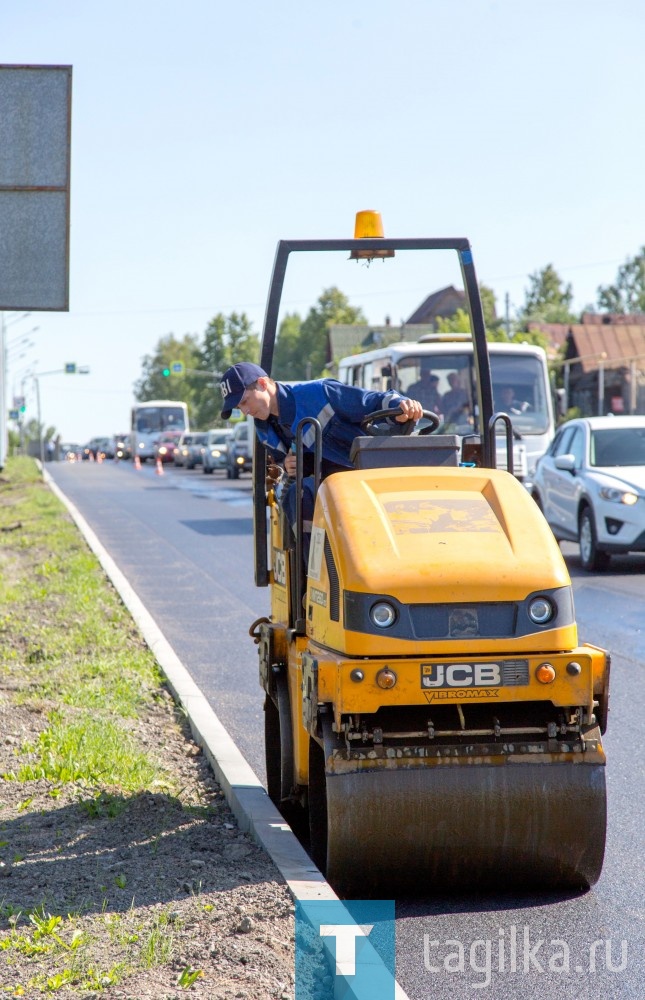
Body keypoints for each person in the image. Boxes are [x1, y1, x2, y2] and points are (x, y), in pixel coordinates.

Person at [219, 362, 423, 563]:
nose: (244, 411)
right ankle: (317, 574)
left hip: (370, 482)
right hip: (332, 494)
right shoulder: (264, 431)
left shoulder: (320, 394)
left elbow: (374, 401)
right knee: (297, 496)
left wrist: (403, 405)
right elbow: (279, 471)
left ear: (263, 384)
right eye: (239, 407)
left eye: (245, 401)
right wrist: (286, 467)